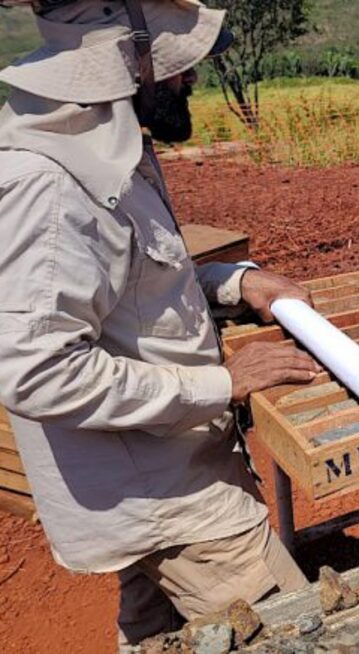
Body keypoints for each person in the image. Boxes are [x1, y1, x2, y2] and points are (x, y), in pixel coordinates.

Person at [0, 0, 321, 647]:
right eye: (176, 65)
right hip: (170, 499)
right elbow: (36, 370)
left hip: (158, 471)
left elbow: (134, 289)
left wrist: (238, 281)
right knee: (293, 633)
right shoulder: (52, 181)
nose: (190, 78)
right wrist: (219, 384)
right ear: (131, 58)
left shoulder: (107, 144)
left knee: (158, 635)